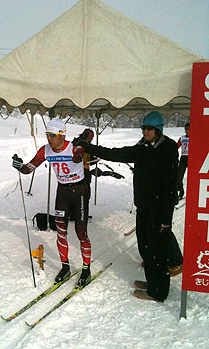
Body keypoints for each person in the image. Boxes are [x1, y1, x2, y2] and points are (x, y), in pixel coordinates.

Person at [73, 111, 179, 302]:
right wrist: (89, 147)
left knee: (157, 252)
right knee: (146, 248)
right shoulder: (142, 147)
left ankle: (158, 292)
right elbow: (116, 154)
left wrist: (166, 219)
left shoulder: (168, 149)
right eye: (143, 128)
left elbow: (171, 186)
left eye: (149, 129)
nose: (145, 132)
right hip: (144, 207)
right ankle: (152, 281)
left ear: (158, 130)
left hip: (159, 209)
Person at [12, 118, 92, 288]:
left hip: (79, 192)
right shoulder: (45, 150)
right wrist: (19, 166)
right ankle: (65, 267)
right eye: (47, 134)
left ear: (62, 135)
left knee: (81, 232)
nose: (49, 138)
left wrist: (82, 148)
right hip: (62, 193)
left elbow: (89, 135)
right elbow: (29, 169)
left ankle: (86, 269)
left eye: (53, 135)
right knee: (60, 231)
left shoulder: (74, 147)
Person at [177, 122, 190, 200]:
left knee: (192, 177)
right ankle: (181, 192)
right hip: (183, 158)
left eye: (189, 129)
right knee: (179, 177)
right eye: (186, 129)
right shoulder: (182, 138)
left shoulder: (195, 137)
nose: (187, 131)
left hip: (191, 159)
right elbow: (176, 147)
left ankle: (192, 191)